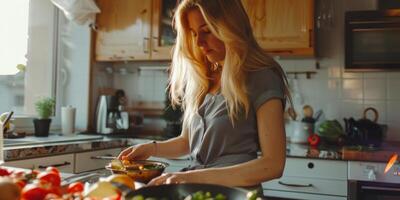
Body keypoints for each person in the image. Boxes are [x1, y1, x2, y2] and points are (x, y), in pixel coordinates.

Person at [118, 0, 292, 191]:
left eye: (206, 30)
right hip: (196, 190)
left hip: (236, 193)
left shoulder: (262, 77)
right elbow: (186, 142)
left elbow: (272, 165)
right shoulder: (202, 79)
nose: (199, 42)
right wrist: (152, 148)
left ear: (230, 27)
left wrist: (187, 177)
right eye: (193, 33)